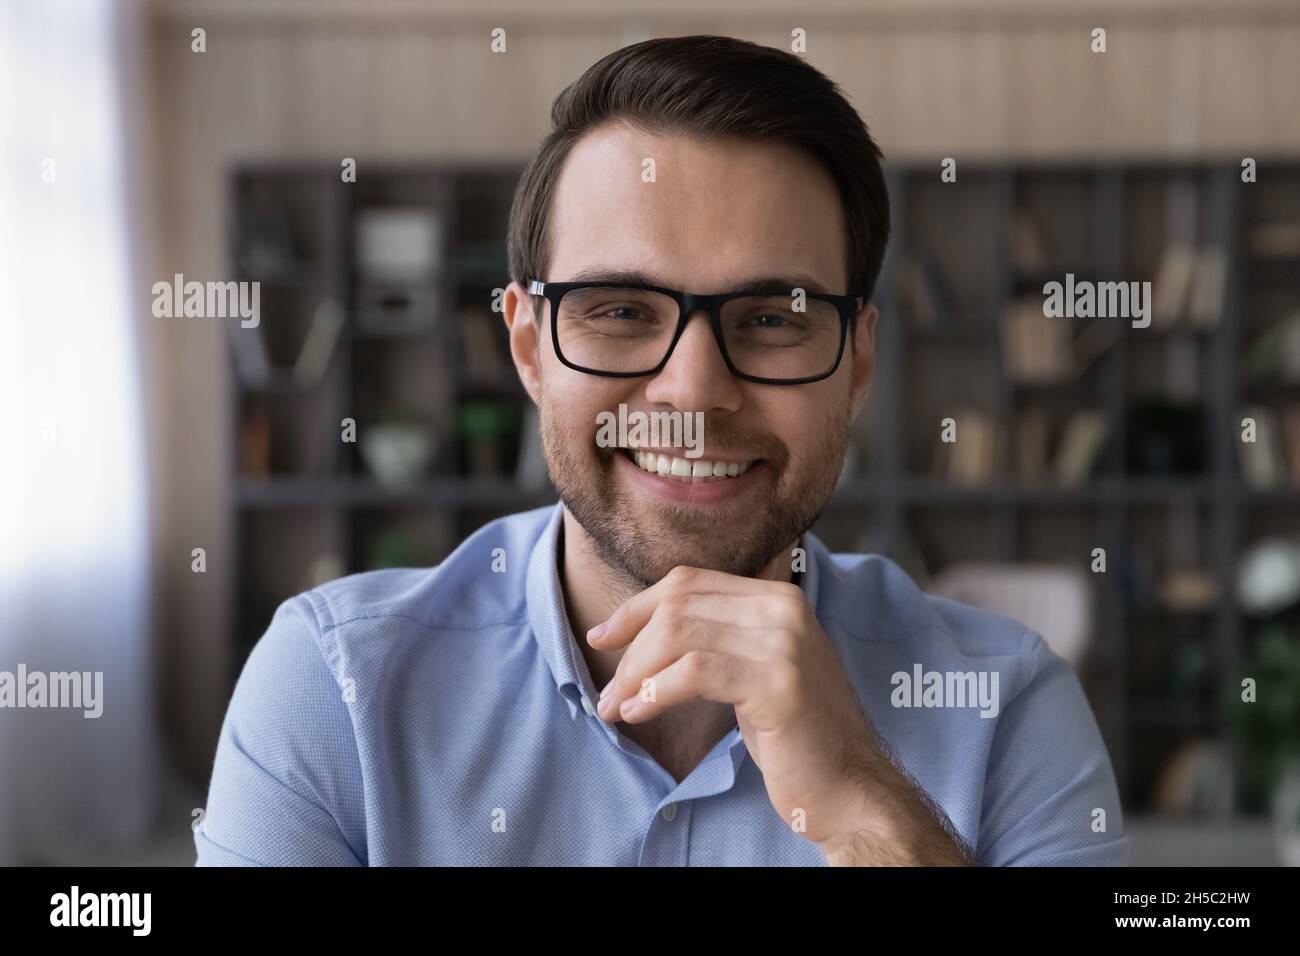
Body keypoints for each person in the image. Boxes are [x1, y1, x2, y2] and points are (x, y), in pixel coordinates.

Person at [196, 34, 1127, 866]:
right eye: (621, 313)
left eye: (771, 318)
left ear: (857, 361)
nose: (692, 392)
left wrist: (862, 806)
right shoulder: (333, 688)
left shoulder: (1006, 706)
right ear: (528, 348)